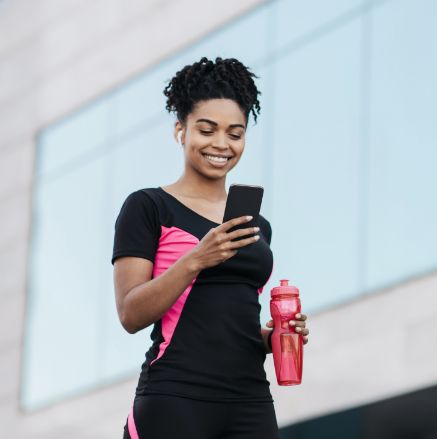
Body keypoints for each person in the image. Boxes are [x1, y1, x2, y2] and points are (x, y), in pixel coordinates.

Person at [111, 56, 309, 439]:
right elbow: (130, 313)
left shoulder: (256, 226)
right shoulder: (149, 207)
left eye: (235, 134)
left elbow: (228, 317)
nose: (221, 144)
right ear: (180, 130)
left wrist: (276, 337)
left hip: (249, 401)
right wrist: (198, 258)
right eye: (207, 130)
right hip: (175, 398)